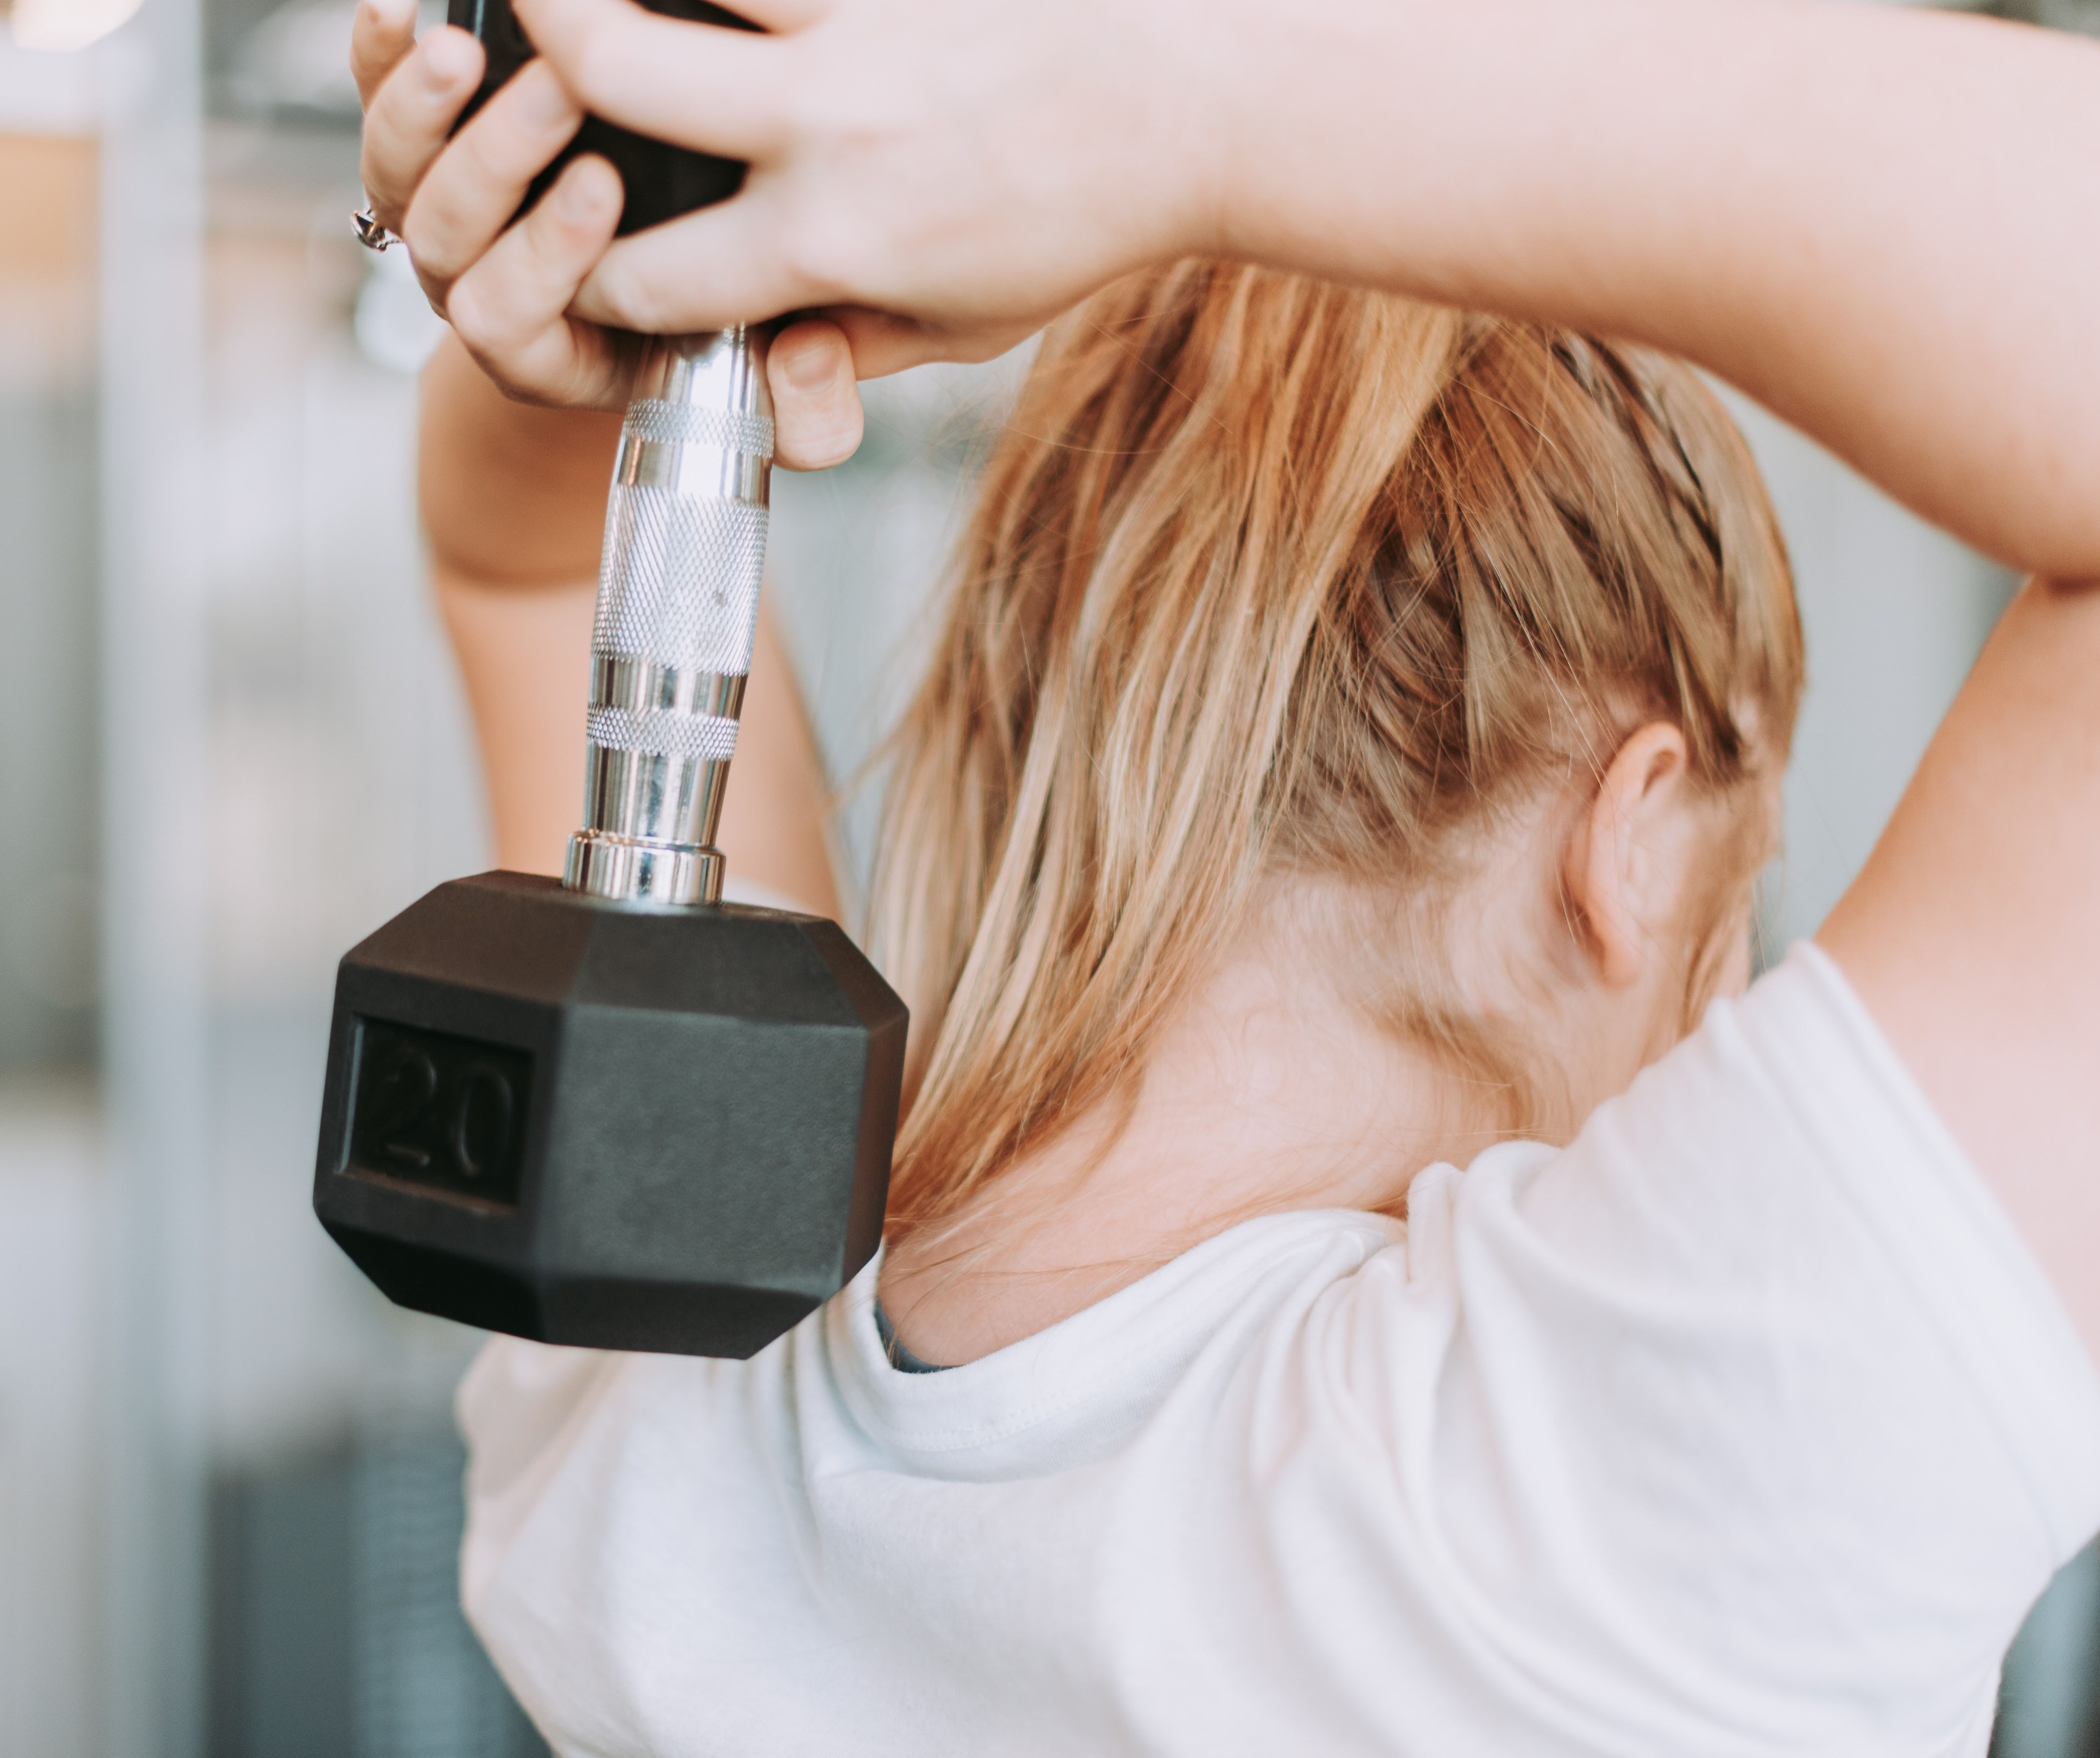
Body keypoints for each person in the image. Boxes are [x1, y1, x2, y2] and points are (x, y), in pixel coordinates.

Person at [350, 0, 2100, 1749]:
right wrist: (1144, 96)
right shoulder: (1590, 1532)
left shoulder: (660, 1360)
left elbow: (521, 554)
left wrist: (608, 239)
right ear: (1628, 838)